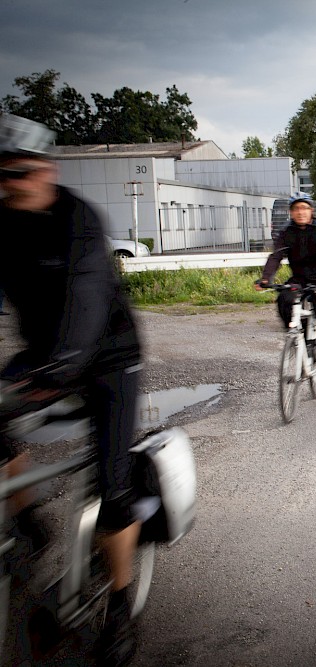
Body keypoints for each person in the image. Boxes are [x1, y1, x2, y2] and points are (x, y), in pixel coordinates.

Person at [0, 114, 147, 665]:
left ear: (47, 169)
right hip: (42, 357)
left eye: (19, 171)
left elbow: (85, 303)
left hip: (108, 356)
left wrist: (54, 374)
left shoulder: (78, 220)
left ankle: (120, 607)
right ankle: (27, 519)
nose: (10, 183)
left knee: (112, 485)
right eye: (0, 174)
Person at [256, 193, 316, 394]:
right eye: (296, 209)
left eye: (304, 208)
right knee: (283, 299)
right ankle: (297, 336)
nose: (300, 212)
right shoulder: (287, 231)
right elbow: (276, 256)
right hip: (299, 278)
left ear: (310, 211)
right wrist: (266, 278)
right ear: (291, 212)